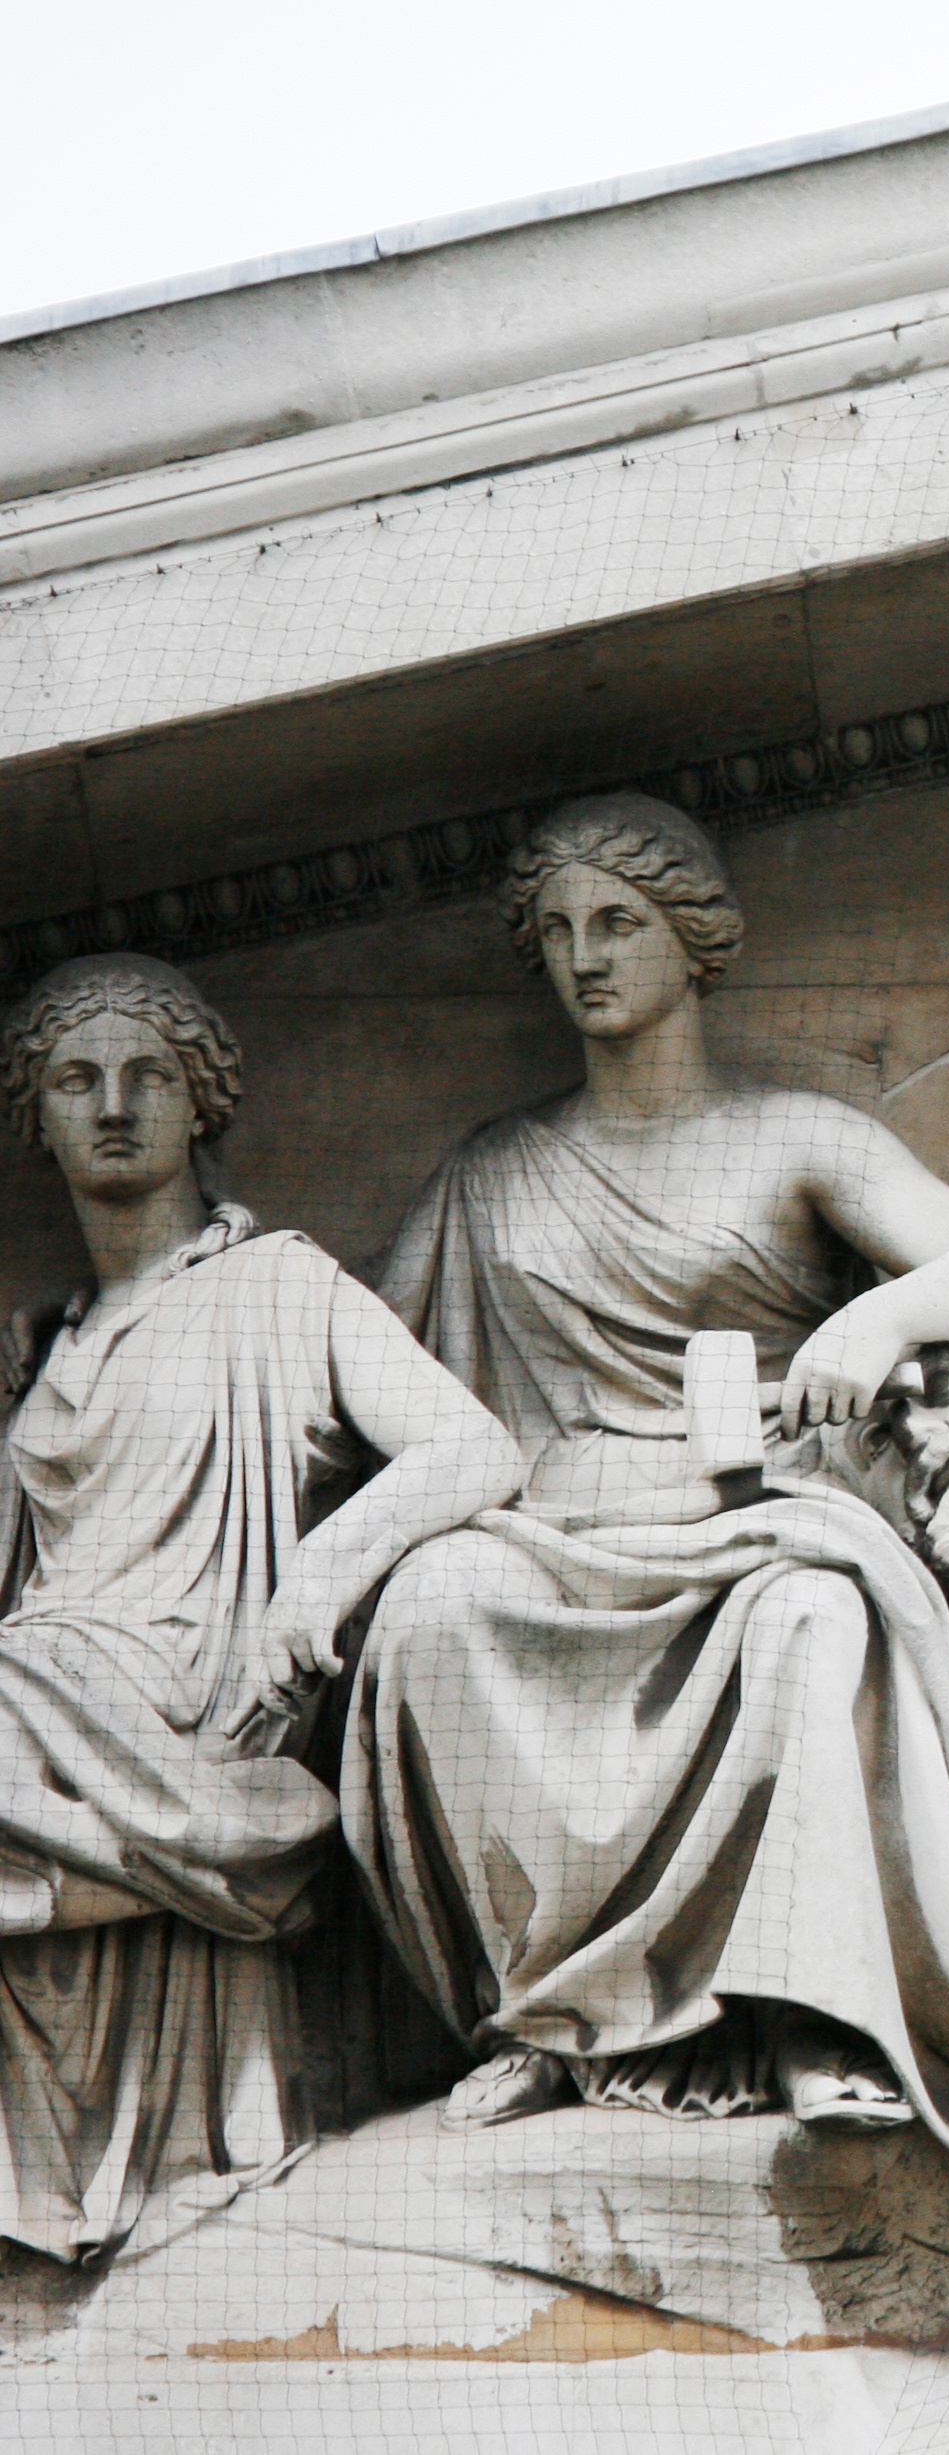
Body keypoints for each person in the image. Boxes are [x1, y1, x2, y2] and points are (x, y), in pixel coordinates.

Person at [340, 795, 949, 2245]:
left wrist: (882, 1319)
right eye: (561, 932)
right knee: (428, 1609)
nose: (587, 957)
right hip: (551, 1530)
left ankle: (825, 2014)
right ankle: (553, 2018)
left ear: (694, 943)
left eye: (619, 923)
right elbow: (356, 1371)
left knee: (813, 1614)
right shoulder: (492, 1172)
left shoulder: (795, 1140)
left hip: (749, 1514)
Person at [0, 956, 516, 2257]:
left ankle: (219, 1845)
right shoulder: (41, 1346)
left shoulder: (282, 1287)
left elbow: (472, 1449)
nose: (113, 1105)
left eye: (149, 1075)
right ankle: (148, 1877)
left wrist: (322, 1576)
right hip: (42, 1717)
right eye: (76, 1080)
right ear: (39, 1118)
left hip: (190, 1708)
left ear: (202, 1101)